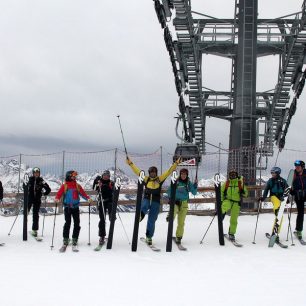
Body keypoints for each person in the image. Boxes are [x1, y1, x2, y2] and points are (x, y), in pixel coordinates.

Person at [126, 156, 180, 245]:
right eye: (151, 172)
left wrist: (176, 163)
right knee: (144, 205)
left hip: (156, 202)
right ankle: (141, 215)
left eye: (154, 172)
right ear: (149, 173)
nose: (153, 174)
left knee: (152, 220)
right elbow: (137, 172)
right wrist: (130, 163)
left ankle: (149, 237)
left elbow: (169, 171)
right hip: (147, 199)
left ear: (156, 173)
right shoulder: (146, 179)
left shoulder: (160, 179)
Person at [55, 170, 92, 247]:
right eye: (73, 176)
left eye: (75, 176)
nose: (74, 177)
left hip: (75, 207)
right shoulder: (65, 186)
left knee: (77, 224)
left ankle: (75, 238)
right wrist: (57, 198)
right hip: (67, 208)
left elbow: (83, 193)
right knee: (67, 223)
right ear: (69, 176)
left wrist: (87, 198)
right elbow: (59, 193)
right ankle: (66, 238)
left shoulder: (77, 186)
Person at [166, 168, 197, 244]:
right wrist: (172, 199)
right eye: (182, 174)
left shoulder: (188, 183)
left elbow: (194, 193)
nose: (183, 175)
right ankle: (169, 215)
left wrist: (195, 185)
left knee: (181, 222)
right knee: (173, 213)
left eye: (185, 174)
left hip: (184, 204)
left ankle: (179, 237)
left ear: (187, 175)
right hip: (176, 202)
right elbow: (169, 191)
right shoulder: (176, 181)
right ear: (180, 174)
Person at [259, 166, 288, 240]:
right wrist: (264, 197)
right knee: (278, 213)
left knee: (280, 217)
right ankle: (275, 233)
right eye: (271, 172)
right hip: (274, 197)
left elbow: (287, 190)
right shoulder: (270, 181)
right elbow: (266, 189)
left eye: (273, 173)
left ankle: (275, 233)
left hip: (281, 198)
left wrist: (287, 198)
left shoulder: (283, 181)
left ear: (278, 173)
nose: (272, 174)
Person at [221, 169, 248, 241]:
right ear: (229, 175)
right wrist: (221, 200)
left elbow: (245, 194)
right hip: (228, 200)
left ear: (236, 175)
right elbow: (221, 191)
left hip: (236, 202)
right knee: (223, 208)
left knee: (234, 219)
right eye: (231, 174)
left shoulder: (240, 183)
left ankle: (231, 233)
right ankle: (221, 217)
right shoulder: (227, 183)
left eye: (234, 174)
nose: (232, 176)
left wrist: (243, 190)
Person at [92, 170, 114, 246]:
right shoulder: (99, 182)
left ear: (109, 176)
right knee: (102, 219)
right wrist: (96, 181)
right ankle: (102, 236)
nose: (106, 176)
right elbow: (94, 188)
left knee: (112, 217)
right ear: (102, 175)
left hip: (110, 202)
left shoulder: (111, 182)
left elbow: (115, 190)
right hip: (101, 202)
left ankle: (111, 231)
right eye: (104, 175)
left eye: (107, 175)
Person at [27, 167, 51, 237]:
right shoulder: (29, 179)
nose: (36, 174)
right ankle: (25, 228)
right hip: (30, 199)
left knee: (35, 214)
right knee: (26, 213)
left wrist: (44, 194)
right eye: (35, 173)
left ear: (39, 173)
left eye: (37, 173)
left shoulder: (41, 180)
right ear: (33, 173)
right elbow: (24, 187)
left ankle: (34, 230)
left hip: (37, 199)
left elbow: (48, 189)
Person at [290, 160, 306, 239]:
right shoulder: (293, 174)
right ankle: (299, 231)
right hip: (298, 196)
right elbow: (289, 185)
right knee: (301, 213)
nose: (296, 168)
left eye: (298, 166)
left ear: (302, 167)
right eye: (296, 166)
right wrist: (291, 192)